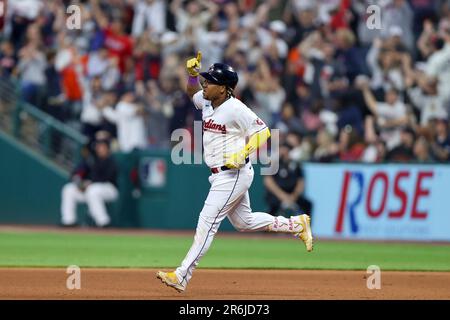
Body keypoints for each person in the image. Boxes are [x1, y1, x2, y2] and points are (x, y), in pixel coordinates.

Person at [156, 52, 313, 293]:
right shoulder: (208, 101)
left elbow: (263, 131)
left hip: (233, 173)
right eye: (205, 79)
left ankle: (181, 275)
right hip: (220, 173)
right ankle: (296, 225)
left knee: (207, 221)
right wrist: (190, 76)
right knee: (244, 221)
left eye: (210, 81)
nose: (204, 83)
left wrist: (245, 151)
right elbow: (191, 95)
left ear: (224, 88)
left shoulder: (235, 108)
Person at [60, 139, 118, 228]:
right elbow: (76, 173)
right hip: (89, 189)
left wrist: (89, 183)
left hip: (109, 189)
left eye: (102, 147)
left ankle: (103, 222)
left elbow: (107, 177)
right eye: (98, 147)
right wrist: (79, 183)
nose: (100, 149)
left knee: (93, 190)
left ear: (107, 149)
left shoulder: (111, 160)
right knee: (68, 189)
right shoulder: (91, 160)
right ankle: (69, 221)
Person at [264, 143, 313, 217]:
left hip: (292, 194)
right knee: (272, 205)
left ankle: (305, 226)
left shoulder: (296, 165)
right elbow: (268, 181)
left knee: (307, 204)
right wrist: (282, 196)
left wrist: (294, 196)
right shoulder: (273, 164)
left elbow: (301, 182)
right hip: (277, 195)